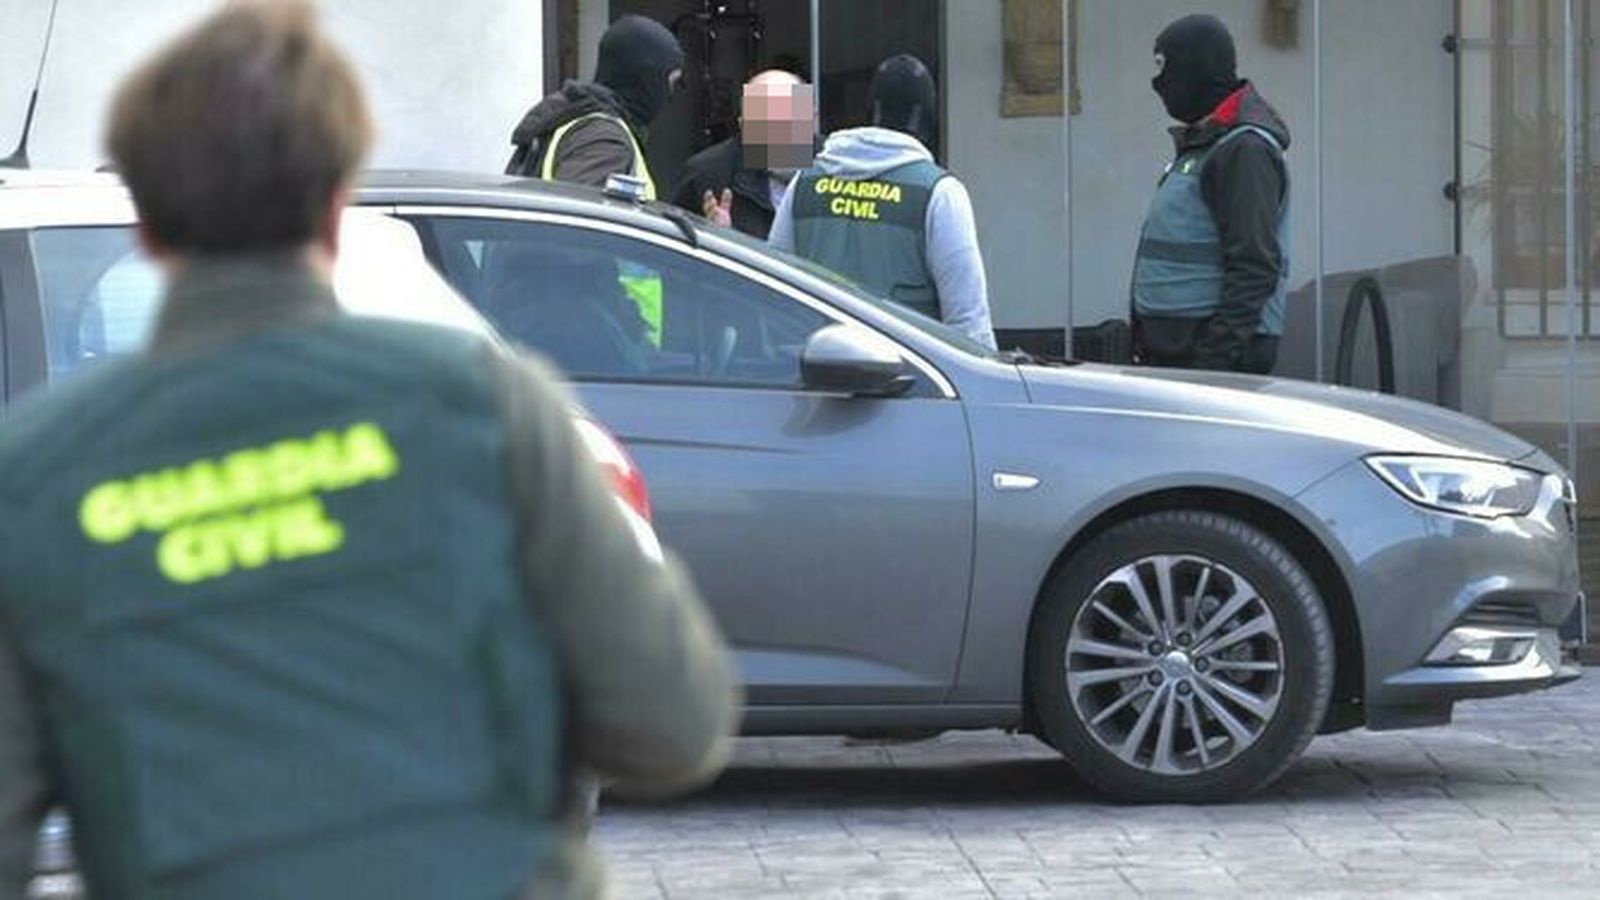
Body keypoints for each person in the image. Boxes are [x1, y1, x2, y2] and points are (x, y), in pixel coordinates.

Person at [0, 4, 736, 899]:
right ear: (336, 203)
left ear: (146, 226)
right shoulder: (486, 409)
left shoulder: (41, 476)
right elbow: (673, 723)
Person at [769, 55, 996, 350]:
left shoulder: (804, 183)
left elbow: (776, 293)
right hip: (913, 382)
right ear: (929, 117)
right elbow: (968, 322)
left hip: (816, 375)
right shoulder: (939, 193)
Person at [1130, 14, 1291, 374]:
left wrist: (1212, 366)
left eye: (1165, 69)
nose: (1159, 85)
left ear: (1194, 69)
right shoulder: (1209, 143)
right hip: (1183, 354)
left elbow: (1254, 267)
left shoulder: (1243, 149)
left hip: (1210, 361)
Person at [505, 14, 683, 198]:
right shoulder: (603, 140)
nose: (669, 95)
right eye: (670, 82)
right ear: (647, 79)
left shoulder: (576, 119)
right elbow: (575, 220)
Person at [669, 68, 815, 238]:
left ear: (811, 118)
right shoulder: (706, 174)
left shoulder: (835, 167)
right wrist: (719, 238)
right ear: (743, 124)